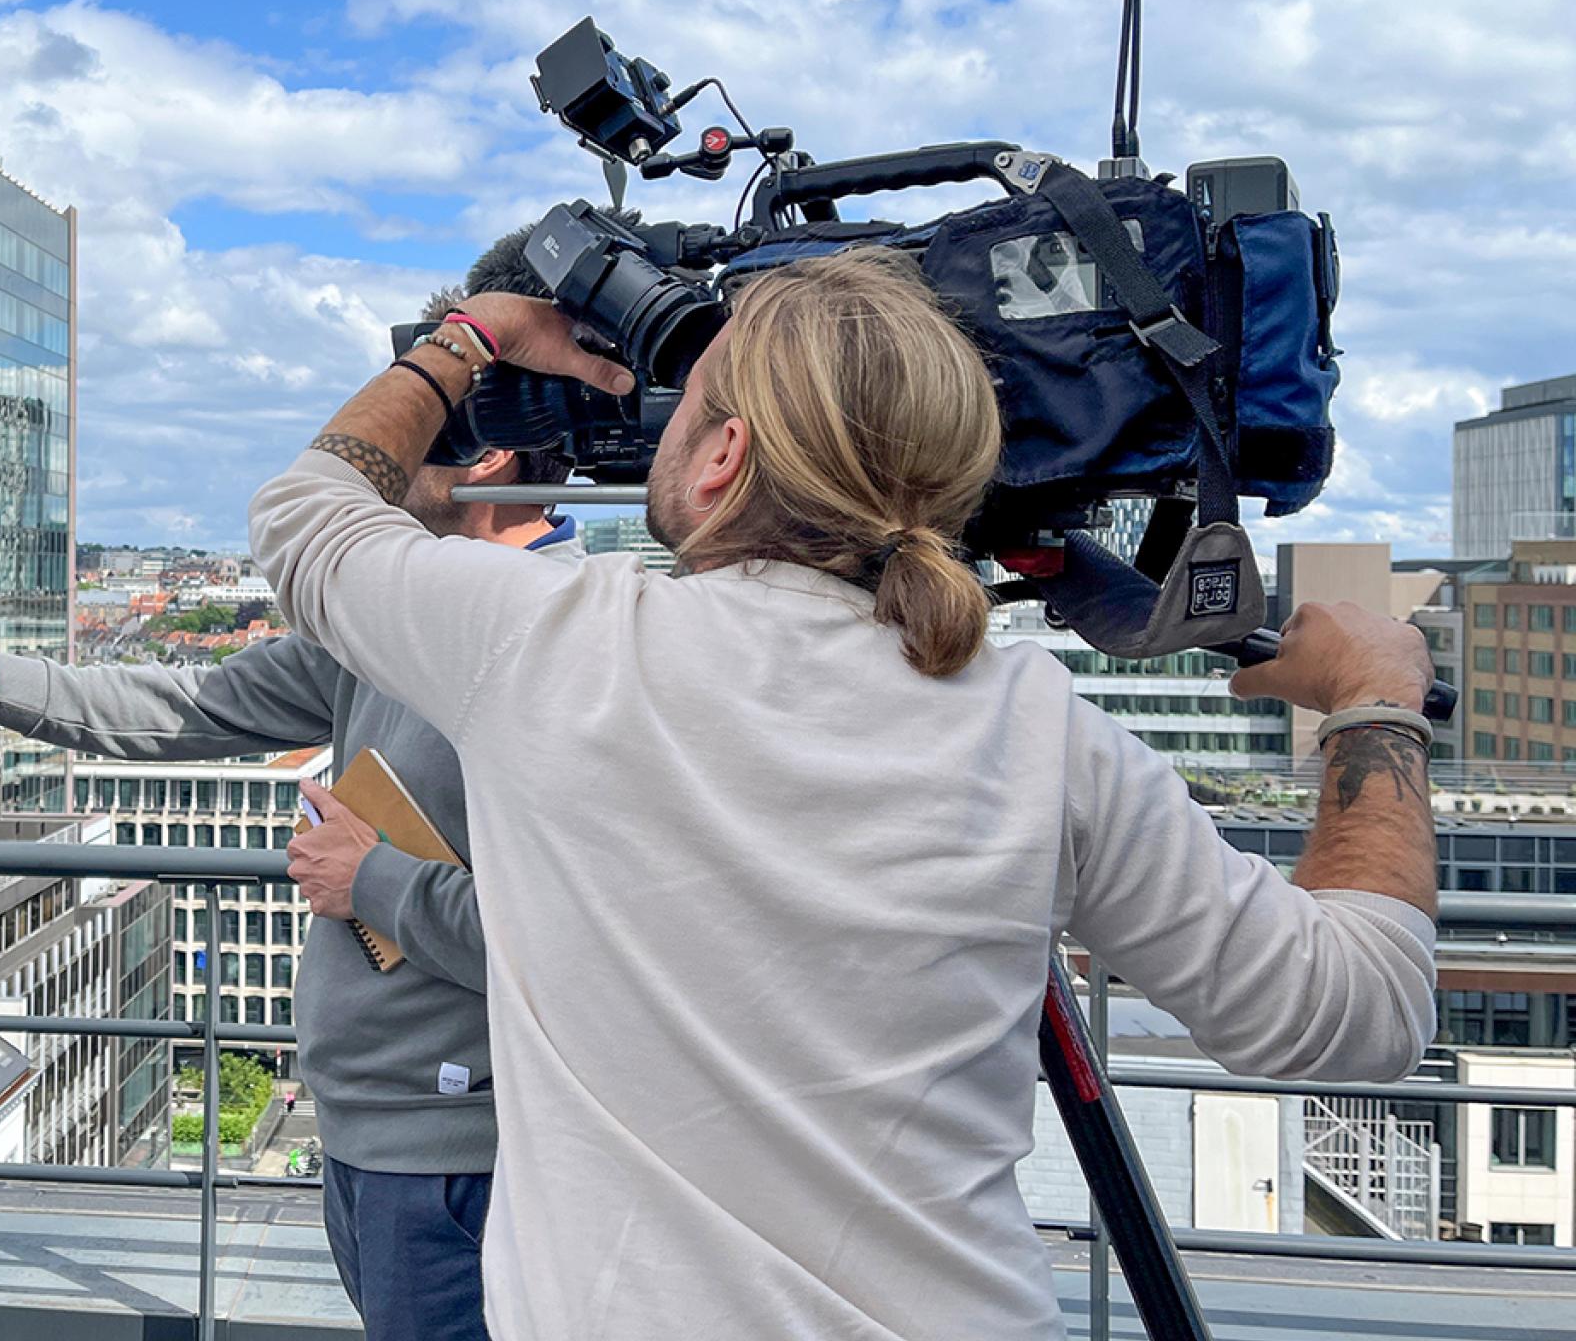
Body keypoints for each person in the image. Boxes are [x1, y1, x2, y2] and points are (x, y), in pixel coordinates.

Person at [245, 246, 1439, 1339]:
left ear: (723, 456)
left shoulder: (553, 643)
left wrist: (471, 335)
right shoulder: (1033, 727)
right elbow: (1357, 1011)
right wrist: (1373, 702)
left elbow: (305, 518)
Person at [0, 353, 579, 1339]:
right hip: (373, 1142)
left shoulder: (570, 644)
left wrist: (371, 880)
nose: (372, 476)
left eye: (399, 439)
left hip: (468, 1161)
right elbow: (192, 702)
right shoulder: (397, 620)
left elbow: (574, 938)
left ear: (488, 457)